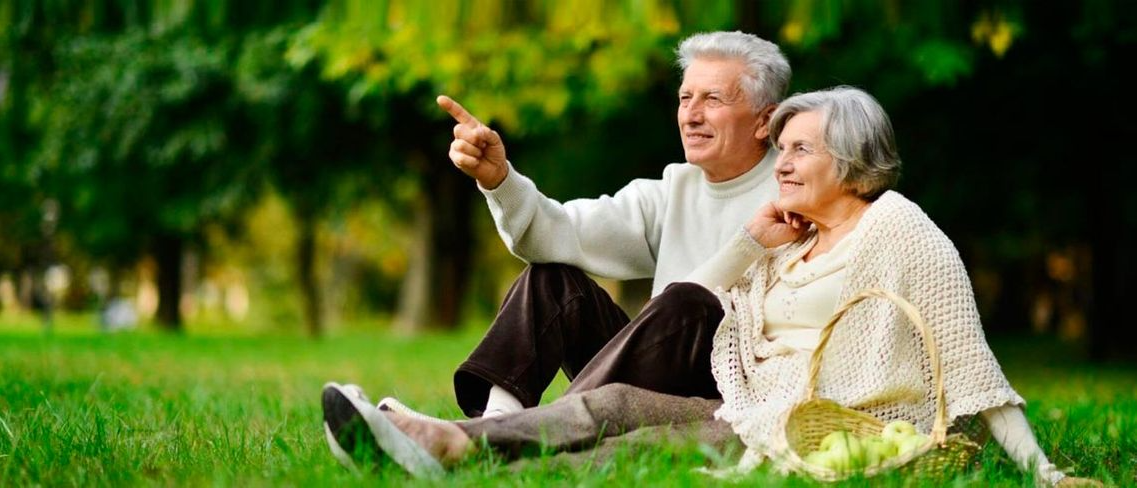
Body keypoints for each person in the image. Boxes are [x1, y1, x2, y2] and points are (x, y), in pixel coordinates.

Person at [322, 86, 1099, 487]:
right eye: (781, 148)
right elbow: (703, 310)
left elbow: (967, 359)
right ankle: (447, 438)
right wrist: (751, 244)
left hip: (803, 422)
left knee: (645, 435)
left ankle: (453, 452)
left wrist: (1039, 470)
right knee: (612, 403)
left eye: (799, 150)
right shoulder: (785, 236)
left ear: (854, 161)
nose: (783, 163)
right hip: (742, 398)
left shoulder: (897, 227)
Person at [382, 30, 792, 421]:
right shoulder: (672, 189)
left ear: (764, 121)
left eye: (713, 99)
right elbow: (557, 233)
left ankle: (509, 433)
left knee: (689, 303)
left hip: (731, 388)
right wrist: (500, 180)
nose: (691, 115)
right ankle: (497, 419)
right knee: (551, 279)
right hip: (653, 374)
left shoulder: (798, 190)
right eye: (685, 98)